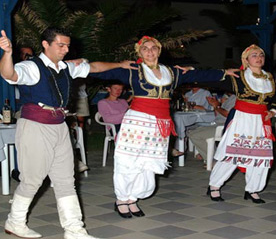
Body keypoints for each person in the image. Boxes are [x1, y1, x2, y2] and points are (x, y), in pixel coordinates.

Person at [0, 27, 135, 239]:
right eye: (61, 45)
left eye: (68, 45)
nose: (66, 49)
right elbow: (9, 74)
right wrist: (7, 53)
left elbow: (95, 67)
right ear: (46, 44)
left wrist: (120, 64)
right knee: (32, 180)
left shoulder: (66, 67)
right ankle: (14, 222)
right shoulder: (31, 67)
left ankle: (74, 230)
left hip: (60, 125)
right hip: (35, 125)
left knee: (66, 179)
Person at [89, 35, 239, 219]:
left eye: (153, 48)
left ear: (159, 51)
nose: (150, 51)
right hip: (137, 122)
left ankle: (133, 198)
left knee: (149, 163)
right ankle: (122, 198)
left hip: (159, 125)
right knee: (129, 161)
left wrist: (224, 73)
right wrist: (117, 65)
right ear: (139, 52)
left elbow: (199, 75)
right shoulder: (133, 70)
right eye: (145, 48)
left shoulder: (172, 72)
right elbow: (96, 70)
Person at [207, 44, 276, 204]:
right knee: (232, 154)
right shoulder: (239, 77)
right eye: (254, 55)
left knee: (261, 157)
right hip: (241, 120)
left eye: (261, 55)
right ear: (246, 60)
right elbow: (212, 79)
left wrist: (273, 111)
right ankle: (214, 186)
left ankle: (253, 189)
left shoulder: (271, 79)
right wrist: (190, 73)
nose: (259, 58)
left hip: (261, 122)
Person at [187, 93, 236, 165]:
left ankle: (213, 160)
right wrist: (214, 105)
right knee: (191, 131)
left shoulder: (235, 98)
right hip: (217, 123)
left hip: (224, 126)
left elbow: (228, 114)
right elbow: (218, 115)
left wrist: (217, 106)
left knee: (194, 135)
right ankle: (211, 156)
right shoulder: (227, 97)